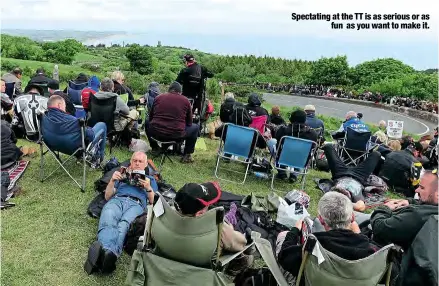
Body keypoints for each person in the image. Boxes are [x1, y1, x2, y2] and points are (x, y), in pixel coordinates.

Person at [276, 192, 380, 282]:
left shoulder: (314, 245)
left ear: (321, 219)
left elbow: (284, 256)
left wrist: (294, 231)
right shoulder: (373, 251)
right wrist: (359, 234)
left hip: (313, 281)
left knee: (283, 235)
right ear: (352, 217)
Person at [84, 152, 158, 274]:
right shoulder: (122, 175)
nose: (137, 163)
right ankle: (109, 255)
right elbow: (107, 197)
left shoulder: (150, 180)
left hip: (136, 204)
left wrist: (148, 188)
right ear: (131, 162)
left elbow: (152, 202)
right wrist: (112, 181)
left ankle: (103, 254)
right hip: (117, 199)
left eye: (140, 161)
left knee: (124, 224)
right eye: (135, 160)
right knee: (108, 217)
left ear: (145, 165)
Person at [174, 181, 253, 274]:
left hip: (170, 257)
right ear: (199, 214)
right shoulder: (219, 228)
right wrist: (230, 229)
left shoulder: (164, 216)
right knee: (247, 256)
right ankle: (236, 266)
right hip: (201, 268)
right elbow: (241, 243)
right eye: (207, 206)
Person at [371, 169, 438, 251]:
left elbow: (379, 227)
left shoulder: (417, 216)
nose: (416, 190)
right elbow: (429, 203)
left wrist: (384, 208)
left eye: (422, 188)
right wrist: (410, 201)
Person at [42, 95, 107, 164]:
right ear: (59, 105)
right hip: (75, 149)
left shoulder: (44, 117)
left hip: (52, 144)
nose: (65, 109)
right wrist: (88, 129)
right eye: (65, 107)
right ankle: (99, 157)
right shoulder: (73, 121)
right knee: (102, 125)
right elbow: (90, 136)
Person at [146, 82, 198, 163]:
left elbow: (151, 117)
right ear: (180, 92)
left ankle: (155, 147)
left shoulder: (158, 97)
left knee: (147, 122)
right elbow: (189, 123)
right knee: (195, 127)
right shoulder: (185, 100)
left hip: (155, 133)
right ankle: (187, 155)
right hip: (175, 135)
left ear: (169, 90)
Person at [322, 143, 381, 212]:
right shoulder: (356, 196)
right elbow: (360, 207)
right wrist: (345, 202)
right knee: (377, 154)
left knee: (328, 146)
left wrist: (338, 200)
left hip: (340, 173)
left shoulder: (332, 194)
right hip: (359, 176)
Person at [268, 110, 318, 181]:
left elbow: (277, 142)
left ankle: (282, 173)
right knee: (300, 153)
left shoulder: (283, 130)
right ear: (304, 120)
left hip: (284, 158)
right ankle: (294, 174)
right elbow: (313, 148)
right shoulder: (312, 133)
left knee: (271, 142)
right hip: (301, 161)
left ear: (291, 119)